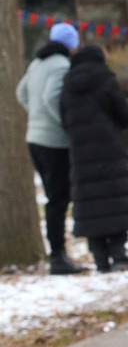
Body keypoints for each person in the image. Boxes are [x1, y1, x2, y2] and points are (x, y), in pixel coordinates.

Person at [60, 45, 128, 273]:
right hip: (109, 149)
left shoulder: (68, 83)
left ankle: (100, 259)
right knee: (113, 199)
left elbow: (63, 119)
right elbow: (123, 114)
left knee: (90, 204)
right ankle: (119, 254)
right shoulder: (106, 78)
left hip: (80, 152)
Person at [16, 22, 85, 275]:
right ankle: (58, 256)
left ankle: (59, 253)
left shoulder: (36, 64)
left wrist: (35, 119)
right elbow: (50, 97)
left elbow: (21, 93)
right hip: (54, 142)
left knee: (54, 196)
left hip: (34, 138)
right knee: (58, 198)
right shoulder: (61, 65)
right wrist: (66, 125)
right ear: (71, 43)